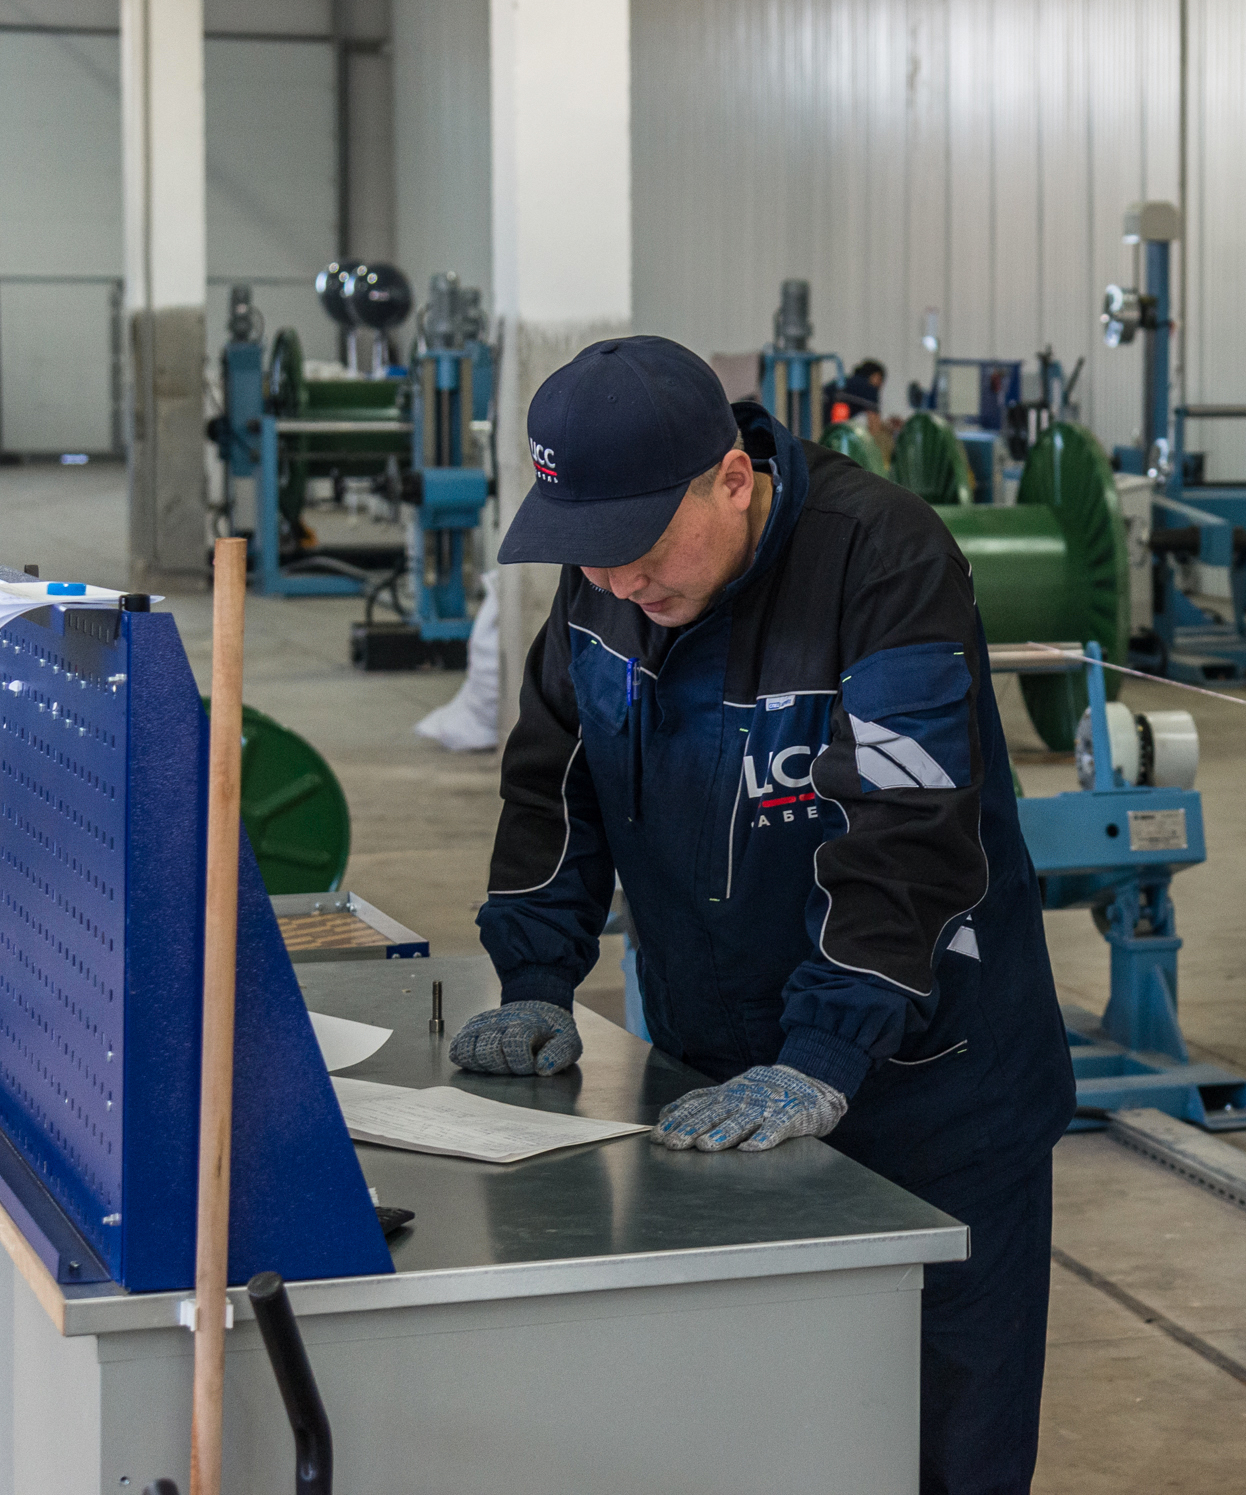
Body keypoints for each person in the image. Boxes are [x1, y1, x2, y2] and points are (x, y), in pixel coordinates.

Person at [447, 335, 1075, 1494]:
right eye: (590, 554)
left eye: (640, 547)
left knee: (943, 1446)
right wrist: (536, 975)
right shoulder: (606, 593)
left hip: (931, 1094)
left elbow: (907, 830)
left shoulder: (882, 560)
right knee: (761, 1435)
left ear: (732, 478)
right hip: (712, 1090)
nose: (618, 582)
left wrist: (826, 1048)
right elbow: (555, 785)